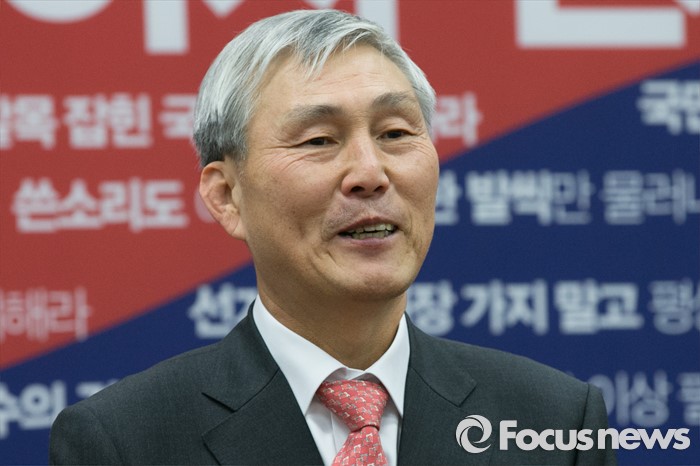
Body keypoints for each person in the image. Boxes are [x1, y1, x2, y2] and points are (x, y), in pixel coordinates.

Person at [50, 9, 616, 465]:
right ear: (226, 196)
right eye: (319, 141)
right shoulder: (124, 441)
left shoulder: (554, 420)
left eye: (395, 133)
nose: (370, 173)